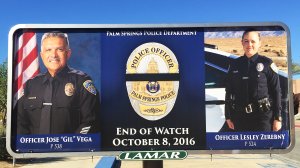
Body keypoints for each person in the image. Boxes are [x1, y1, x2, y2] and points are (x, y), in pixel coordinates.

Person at [16, 32, 100, 134]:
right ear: (42, 56)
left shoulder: (82, 81)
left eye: (59, 49)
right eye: (48, 50)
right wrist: (28, 146)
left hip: (72, 148)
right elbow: (19, 122)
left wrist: (73, 144)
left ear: (68, 53)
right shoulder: (31, 85)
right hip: (33, 148)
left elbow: (90, 121)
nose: (53, 55)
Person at [225, 29, 282, 132]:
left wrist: (277, 118)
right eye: (246, 41)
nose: (249, 44)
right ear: (242, 42)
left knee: (263, 147)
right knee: (241, 148)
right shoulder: (234, 65)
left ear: (259, 43)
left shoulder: (267, 64)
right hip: (240, 118)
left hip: (263, 118)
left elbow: (276, 91)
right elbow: (229, 92)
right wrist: (228, 116)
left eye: (253, 41)